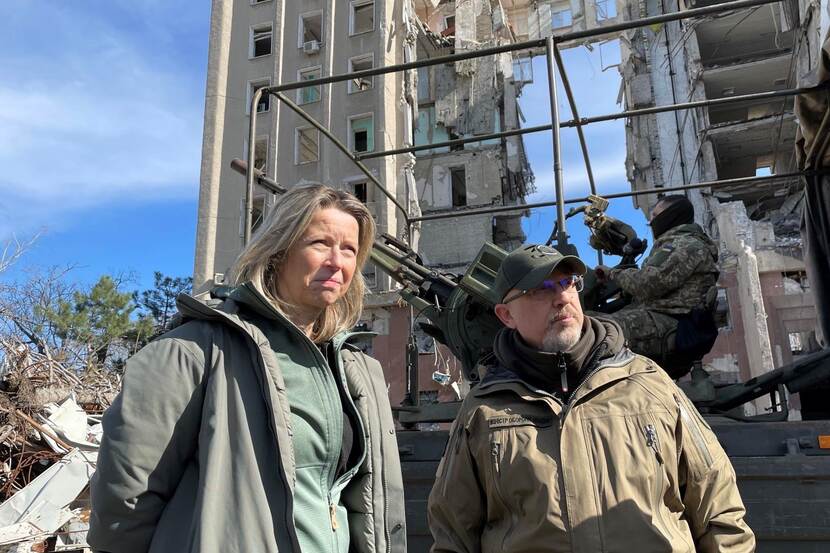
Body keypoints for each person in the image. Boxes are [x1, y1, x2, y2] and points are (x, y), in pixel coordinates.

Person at [88, 184, 406, 553]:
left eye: (349, 249)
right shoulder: (193, 351)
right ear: (278, 251)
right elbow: (124, 504)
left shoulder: (358, 369)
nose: (337, 261)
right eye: (320, 243)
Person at [428, 243, 755, 553]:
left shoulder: (649, 383)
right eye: (541, 288)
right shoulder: (484, 411)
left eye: (567, 283)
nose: (561, 298)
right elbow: (452, 536)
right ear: (506, 315)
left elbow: (718, 507)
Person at [594, 195, 720, 377]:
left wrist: (612, 273)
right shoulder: (676, 244)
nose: (651, 221)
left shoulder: (686, 245)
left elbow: (646, 284)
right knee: (589, 321)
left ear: (671, 215)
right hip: (663, 318)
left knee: (591, 332)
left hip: (672, 324)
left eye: (655, 215)